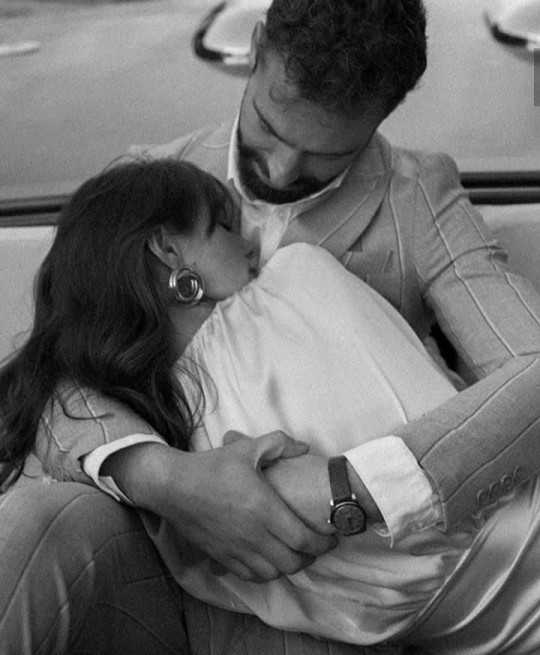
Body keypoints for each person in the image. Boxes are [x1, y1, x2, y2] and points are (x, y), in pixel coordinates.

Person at [2, 0, 540, 651]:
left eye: (326, 154)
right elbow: (55, 367)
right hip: (162, 556)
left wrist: (349, 487)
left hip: (337, 593)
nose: (282, 170)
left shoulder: (417, 196)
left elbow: (530, 373)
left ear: (383, 115)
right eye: (268, 125)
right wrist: (169, 479)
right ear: (257, 49)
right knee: (33, 521)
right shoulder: (148, 181)